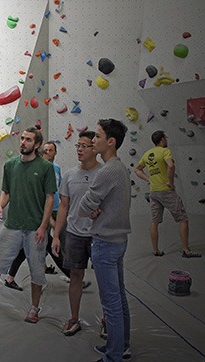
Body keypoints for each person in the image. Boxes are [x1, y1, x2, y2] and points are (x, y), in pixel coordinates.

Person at [0, 127, 57, 324]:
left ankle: (34, 308)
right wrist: (0, 206)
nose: (23, 142)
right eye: (22, 139)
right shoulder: (10, 165)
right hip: (13, 225)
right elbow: (6, 191)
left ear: (37, 144)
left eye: (28, 140)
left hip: (35, 228)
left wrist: (44, 227)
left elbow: (50, 198)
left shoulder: (45, 168)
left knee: (37, 269)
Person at [78, 119, 131, 362]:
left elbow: (84, 205)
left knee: (111, 304)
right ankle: (121, 347)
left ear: (110, 142)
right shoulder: (120, 168)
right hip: (117, 241)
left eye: (98, 137)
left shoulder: (108, 170)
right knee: (118, 299)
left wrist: (91, 208)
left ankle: (114, 356)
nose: (93, 141)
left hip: (106, 243)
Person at [52, 131, 101, 336]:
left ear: (94, 148)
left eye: (84, 145)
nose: (79, 149)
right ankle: (74, 319)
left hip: (99, 235)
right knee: (75, 275)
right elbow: (63, 207)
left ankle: (107, 319)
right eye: (77, 145)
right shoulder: (70, 175)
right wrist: (56, 235)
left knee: (105, 278)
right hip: (74, 234)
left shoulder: (104, 173)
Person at [3, 141, 69, 291]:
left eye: (50, 150)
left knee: (50, 244)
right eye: (44, 150)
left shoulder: (55, 168)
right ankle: (72, 275)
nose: (47, 153)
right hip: (42, 213)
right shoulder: (38, 170)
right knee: (49, 244)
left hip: (56, 209)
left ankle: (11, 276)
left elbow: (57, 190)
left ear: (55, 152)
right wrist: (47, 221)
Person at [134, 131, 201, 258]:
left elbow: (137, 169)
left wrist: (149, 179)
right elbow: (171, 165)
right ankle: (186, 250)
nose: (166, 140)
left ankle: (155, 250)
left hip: (153, 192)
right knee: (183, 219)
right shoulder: (165, 151)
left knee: (154, 221)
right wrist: (170, 181)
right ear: (162, 139)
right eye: (165, 138)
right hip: (166, 191)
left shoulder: (147, 154)